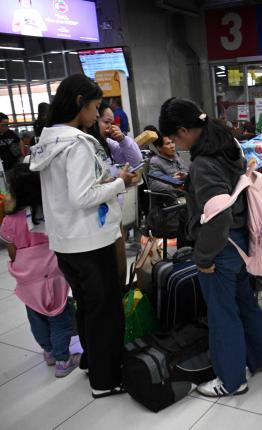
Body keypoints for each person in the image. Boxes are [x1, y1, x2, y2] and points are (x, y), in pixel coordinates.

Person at [159, 98, 262, 398]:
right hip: (240, 239)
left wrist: (203, 257)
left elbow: (218, 214)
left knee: (222, 314)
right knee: (245, 303)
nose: (175, 143)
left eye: (174, 137)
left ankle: (231, 379)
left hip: (220, 246)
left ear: (184, 130)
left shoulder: (203, 163)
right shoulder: (228, 146)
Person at [30, 74, 135, 399]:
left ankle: (92, 362)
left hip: (66, 242)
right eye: (94, 108)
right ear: (79, 103)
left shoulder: (48, 140)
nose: (96, 115)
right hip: (91, 241)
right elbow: (82, 195)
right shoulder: (76, 143)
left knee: (87, 307)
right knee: (105, 312)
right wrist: (121, 183)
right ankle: (105, 381)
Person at [0, 164, 80, 378]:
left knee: (35, 314)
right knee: (58, 314)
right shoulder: (49, 212)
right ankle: (64, 359)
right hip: (51, 270)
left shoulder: (10, 219)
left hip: (26, 274)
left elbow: (11, 250)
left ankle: (50, 352)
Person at [88, 101, 143, 290]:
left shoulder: (109, 144)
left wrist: (124, 140)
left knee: (119, 271)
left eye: (113, 123)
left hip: (114, 214)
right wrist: (118, 182)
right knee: (105, 275)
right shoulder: (87, 147)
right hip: (96, 220)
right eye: (106, 122)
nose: (110, 127)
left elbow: (136, 162)